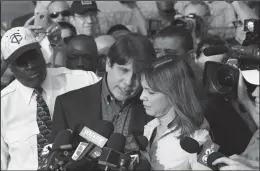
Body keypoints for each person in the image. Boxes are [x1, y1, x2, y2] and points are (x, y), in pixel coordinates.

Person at [1, 27, 100, 170]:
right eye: (21, 62)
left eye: (33, 56)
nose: (31, 65)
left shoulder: (83, 81)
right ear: (10, 67)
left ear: (41, 51)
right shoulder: (3, 104)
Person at [50, 33, 156, 142]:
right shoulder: (68, 104)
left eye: (137, 75)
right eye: (124, 70)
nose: (128, 82)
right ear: (108, 64)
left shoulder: (155, 108)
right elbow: (56, 154)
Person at [140, 54, 210, 170]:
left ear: (174, 95)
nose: (142, 96)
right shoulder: (149, 128)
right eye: (142, 89)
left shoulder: (201, 138)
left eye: (151, 92)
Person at [194, 36, 257, 156]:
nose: (218, 76)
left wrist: (246, 103)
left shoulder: (252, 92)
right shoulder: (198, 107)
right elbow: (205, 157)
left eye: (223, 66)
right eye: (210, 67)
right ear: (195, 60)